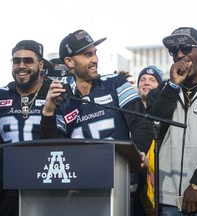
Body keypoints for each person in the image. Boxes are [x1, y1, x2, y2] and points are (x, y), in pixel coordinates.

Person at [40, 29, 155, 215]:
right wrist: (48, 111)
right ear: (69, 62)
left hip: (123, 190)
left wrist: (138, 153)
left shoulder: (116, 83)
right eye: (87, 54)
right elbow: (51, 145)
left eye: (95, 53)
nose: (95, 59)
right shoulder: (61, 97)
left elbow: (142, 123)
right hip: (81, 193)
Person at [0, 40, 52, 216]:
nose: (21, 66)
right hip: (7, 188)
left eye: (28, 61)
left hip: (47, 185)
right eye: (16, 61)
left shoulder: (55, 92)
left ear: (41, 64)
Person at [147, 27, 197, 215]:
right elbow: (152, 125)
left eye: (186, 47)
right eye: (174, 50)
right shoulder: (167, 88)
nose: (180, 54)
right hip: (168, 199)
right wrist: (173, 86)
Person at [136, 65, 163, 216]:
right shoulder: (130, 114)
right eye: (143, 80)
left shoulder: (165, 113)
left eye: (152, 80)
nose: (146, 83)